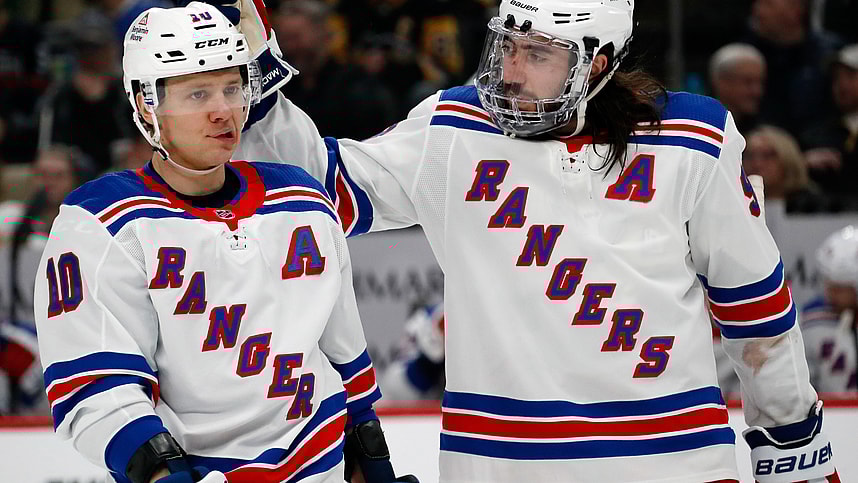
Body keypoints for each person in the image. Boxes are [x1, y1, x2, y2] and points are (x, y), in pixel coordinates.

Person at [227, 0, 839, 481]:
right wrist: (254, 82)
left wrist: (789, 434)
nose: (511, 71)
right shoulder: (454, 130)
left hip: (669, 462)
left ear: (597, 63)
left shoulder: (692, 138)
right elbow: (313, 190)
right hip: (499, 466)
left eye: (538, 54)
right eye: (508, 47)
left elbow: (753, 306)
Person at [33, 4, 416, 483]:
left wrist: (371, 460)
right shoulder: (101, 223)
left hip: (320, 466)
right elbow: (96, 387)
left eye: (232, 88)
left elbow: (344, 360)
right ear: (147, 104)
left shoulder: (300, 198)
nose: (222, 111)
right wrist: (160, 471)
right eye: (197, 93)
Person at [0, 145, 95, 415]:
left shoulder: (92, 227)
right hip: (15, 331)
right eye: (41, 174)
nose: (48, 183)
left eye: (57, 175)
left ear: (75, 179)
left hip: (71, 334)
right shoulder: (8, 221)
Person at [801, 225, 858, 395]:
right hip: (831, 417)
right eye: (828, 283)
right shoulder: (811, 323)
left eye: (840, 288)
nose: (830, 293)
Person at [708, 43, 766, 135]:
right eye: (747, 82)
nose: (757, 91)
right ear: (722, 82)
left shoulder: (767, 132)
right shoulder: (702, 128)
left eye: (760, 82)